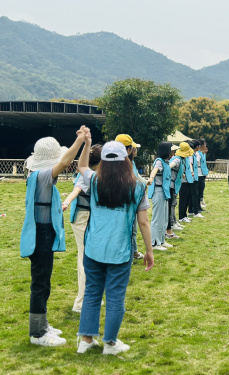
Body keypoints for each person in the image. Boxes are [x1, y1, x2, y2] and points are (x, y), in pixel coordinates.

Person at [76, 137, 154, 355]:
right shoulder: (138, 185)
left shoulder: (93, 180)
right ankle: (110, 343)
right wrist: (149, 251)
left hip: (93, 247)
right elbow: (144, 222)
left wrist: (86, 144)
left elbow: (82, 166)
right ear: (126, 158)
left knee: (92, 293)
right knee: (115, 296)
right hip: (120, 250)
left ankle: (86, 340)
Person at [20, 126, 89, 347]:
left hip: (43, 234)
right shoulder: (42, 176)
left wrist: (83, 143)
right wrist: (79, 141)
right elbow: (65, 161)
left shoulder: (37, 175)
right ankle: (38, 333)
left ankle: (42, 324)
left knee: (43, 282)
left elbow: (72, 164)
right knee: (40, 284)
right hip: (42, 235)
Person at [62, 144, 103, 313]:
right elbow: (77, 190)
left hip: (89, 218)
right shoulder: (86, 175)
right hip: (82, 218)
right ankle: (81, 303)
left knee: (90, 259)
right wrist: (66, 202)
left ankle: (89, 298)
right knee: (85, 259)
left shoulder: (95, 173)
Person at [115, 134, 144, 260]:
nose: (135, 150)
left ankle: (133, 251)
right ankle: (127, 254)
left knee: (131, 229)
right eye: (134, 148)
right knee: (125, 229)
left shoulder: (130, 162)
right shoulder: (123, 163)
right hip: (123, 200)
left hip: (128, 200)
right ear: (128, 149)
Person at [147, 142, 173, 250]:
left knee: (164, 219)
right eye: (170, 150)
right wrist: (151, 178)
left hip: (164, 192)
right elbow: (155, 170)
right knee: (157, 219)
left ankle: (161, 240)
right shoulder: (159, 161)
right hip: (158, 191)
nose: (172, 152)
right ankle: (154, 243)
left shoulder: (166, 162)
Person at [197, 139, 209, 209]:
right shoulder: (198, 154)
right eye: (204, 144)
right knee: (199, 190)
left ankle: (200, 205)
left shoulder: (202, 154)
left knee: (201, 189)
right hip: (199, 174)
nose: (205, 146)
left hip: (203, 174)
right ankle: (198, 206)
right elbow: (197, 163)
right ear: (202, 145)